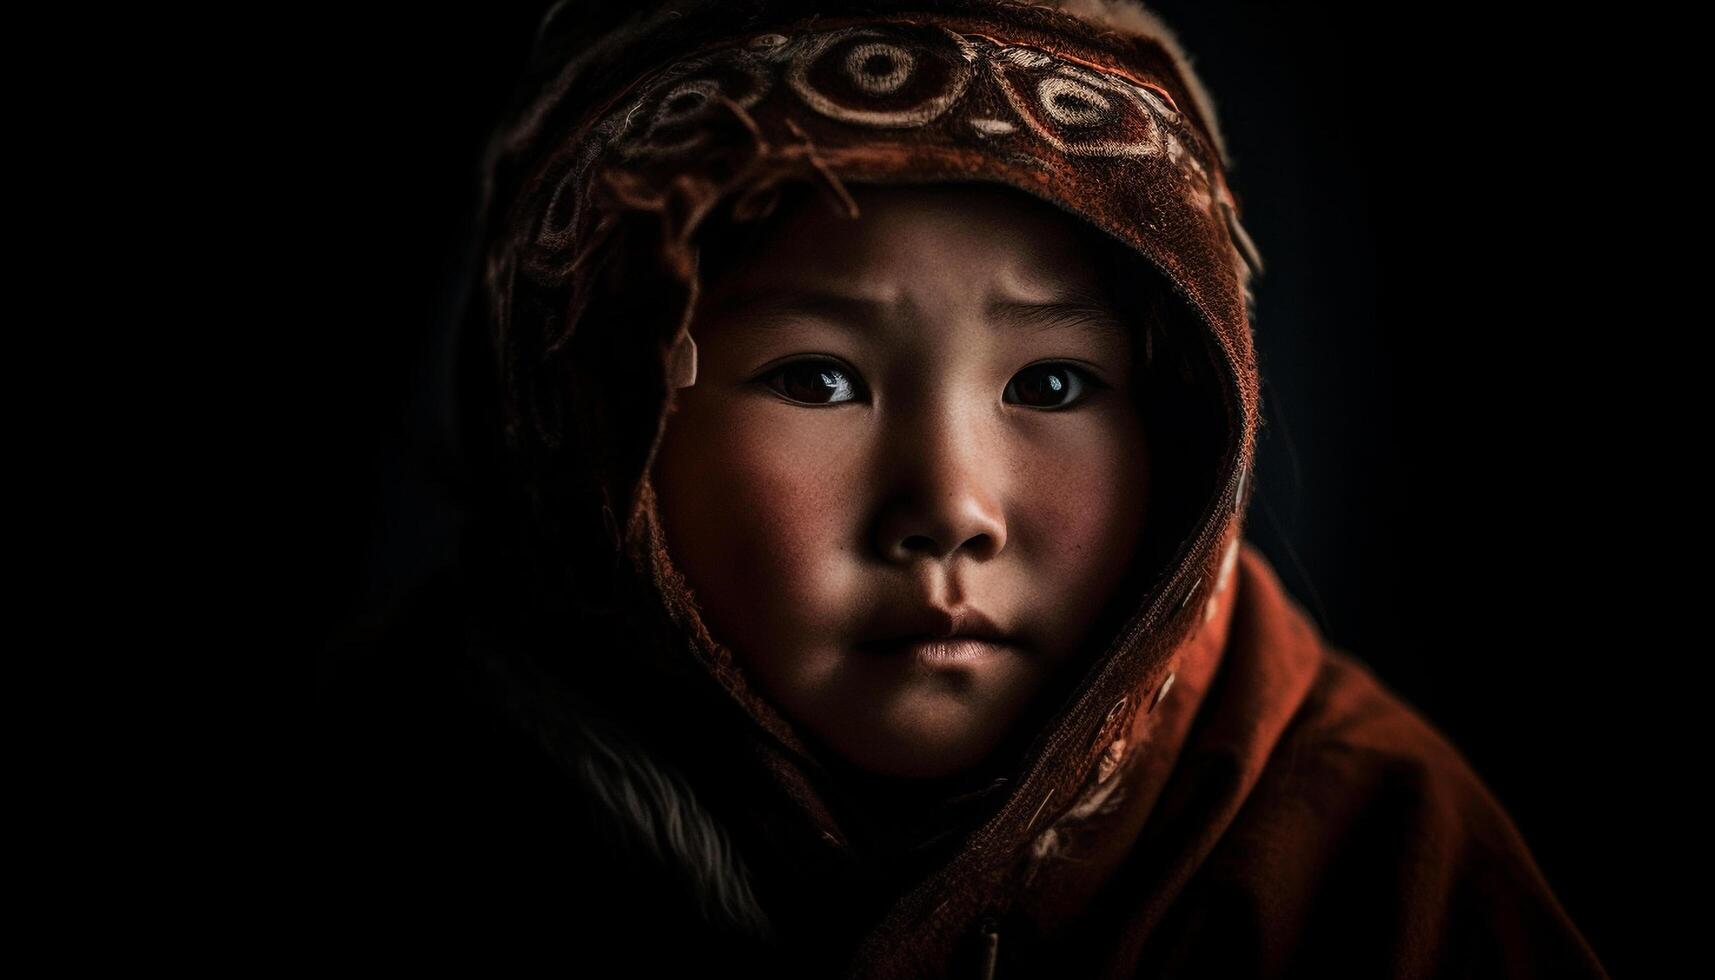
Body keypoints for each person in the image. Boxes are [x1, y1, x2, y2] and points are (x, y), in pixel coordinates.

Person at [315, 2, 1611, 977]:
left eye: (1051, 388)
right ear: (596, 434)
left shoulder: (1369, 855)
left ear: (1184, 430)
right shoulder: (411, 806)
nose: (949, 507)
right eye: (818, 380)